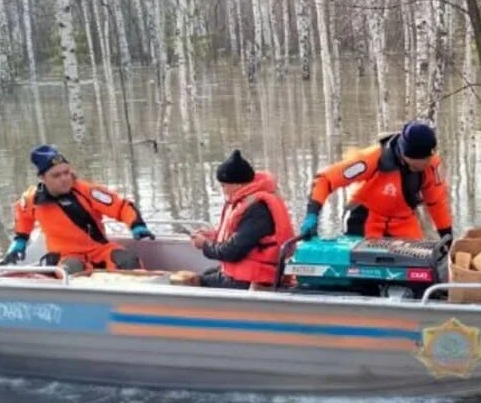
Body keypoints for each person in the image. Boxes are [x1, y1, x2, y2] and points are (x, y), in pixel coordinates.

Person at [2, 145, 155, 273]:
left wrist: (137, 225)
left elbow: (121, 206)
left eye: (66, 173)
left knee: (128, 261)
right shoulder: (32, 199)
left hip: (99, 250)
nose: (64, 179)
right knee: (71, 271)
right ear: (43, 178)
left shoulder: (88, 191)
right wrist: (20, 242)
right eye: (56, 175)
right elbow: (23, 217)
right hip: (65, 255)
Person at [299, 120, 453, 242]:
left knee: (420, 266)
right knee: (367, 269)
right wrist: (312, 214)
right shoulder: (369, 161)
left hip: (403, 220)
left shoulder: (432, 166)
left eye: (429, 158)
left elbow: (436, 202)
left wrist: (446, 235)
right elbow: (326, 179)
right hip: (367, 218)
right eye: (422, 160)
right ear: (406, 155)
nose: (427, 163)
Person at [191, 149, 296, 290]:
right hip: (250, 269)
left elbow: (233, 251)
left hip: (258, 277)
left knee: (194, 282)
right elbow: (240, 238)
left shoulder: (257, 209)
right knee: (207, 273)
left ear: (238, 184)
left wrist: (204, 245)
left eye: (224, 185)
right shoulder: (248, 201)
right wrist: (213, 236)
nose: (222, 190)